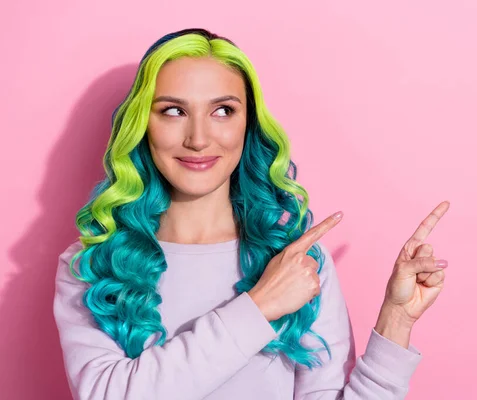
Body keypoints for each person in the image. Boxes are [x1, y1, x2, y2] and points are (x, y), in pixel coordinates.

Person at [53, 28, 450, 400]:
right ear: (143, 125)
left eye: (223, 111)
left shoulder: (296, 264)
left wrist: (396, 319)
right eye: (173, 111)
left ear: (248, 125)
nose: (198, 138)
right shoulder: (93, 264)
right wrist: (259, 307)